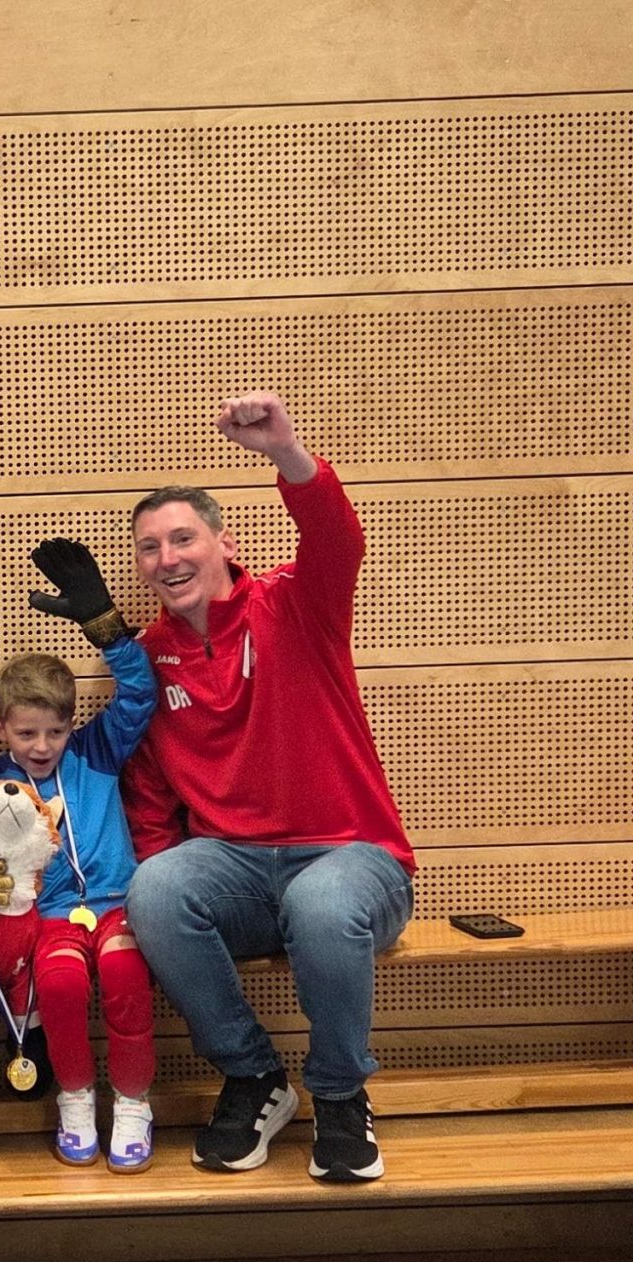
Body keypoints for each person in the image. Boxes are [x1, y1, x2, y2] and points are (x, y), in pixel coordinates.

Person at [114, 392, 416, 1182]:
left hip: (353, 857)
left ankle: (343, 1096)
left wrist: (288, 454)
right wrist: (159, 877)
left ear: (224, 541)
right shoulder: (149, 658)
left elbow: (337, 537)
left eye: (183, 537)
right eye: (149, 547)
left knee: (322, 906)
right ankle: (253, 1077)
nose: (167, 557)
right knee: (155, 888)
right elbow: (147, 795)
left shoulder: (294, 603)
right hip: (239, 869)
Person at [0, 617, 158, 1170]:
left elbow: (140, 694)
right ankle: (76, 1100)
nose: (43, 746)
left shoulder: (97, 751)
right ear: (1, 728)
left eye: (55, 732)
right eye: (26, 734)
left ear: (71, 724)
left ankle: (133, 1104)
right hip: (51, 916)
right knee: (60, 988)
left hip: (117, 904)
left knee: (125, 977)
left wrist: (111, 634)